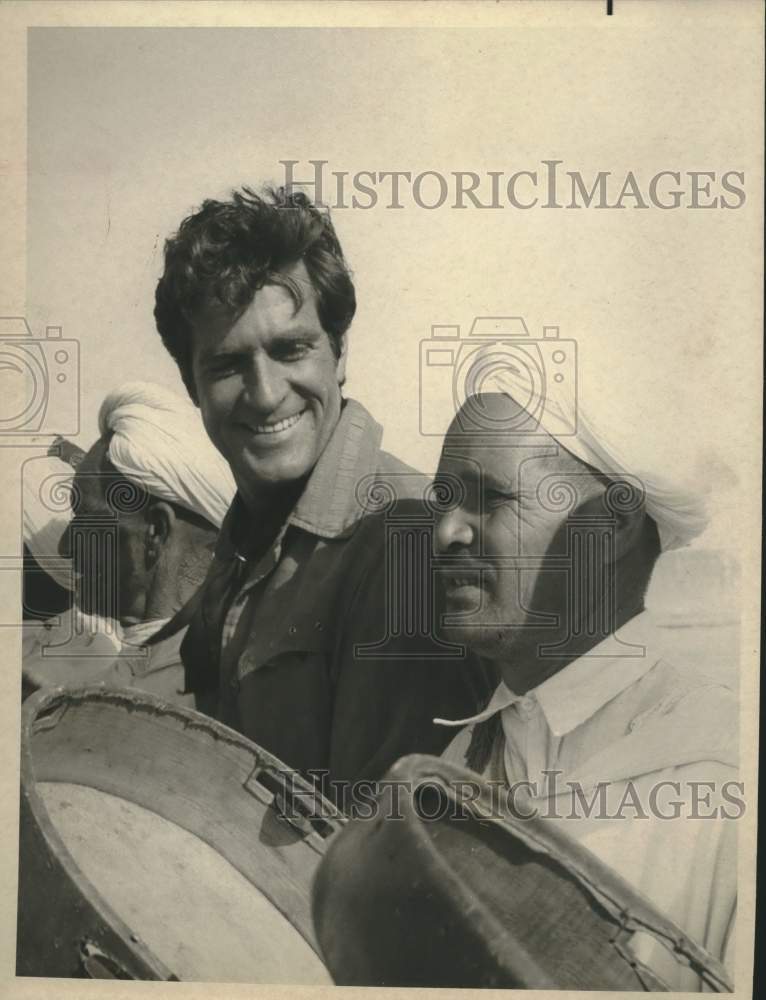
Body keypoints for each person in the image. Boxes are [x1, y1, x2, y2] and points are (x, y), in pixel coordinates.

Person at [152, 185, 491, 793]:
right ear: (191, 385)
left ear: (338, 352)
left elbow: (383, 847)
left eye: (290, 350)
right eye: (227, 366)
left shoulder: (406, 543)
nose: (264, 393)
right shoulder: (242, 545)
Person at [432, 386, 737, 991]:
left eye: (492, 498)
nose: (445, 533)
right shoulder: (455, 764)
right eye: (442, 501)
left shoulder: (723, 782)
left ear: (610, 525)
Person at [23, 382, 236, 706]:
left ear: (156, 531)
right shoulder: (151, 672)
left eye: (87, 519)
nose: (66, 547)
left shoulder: (204, 691)